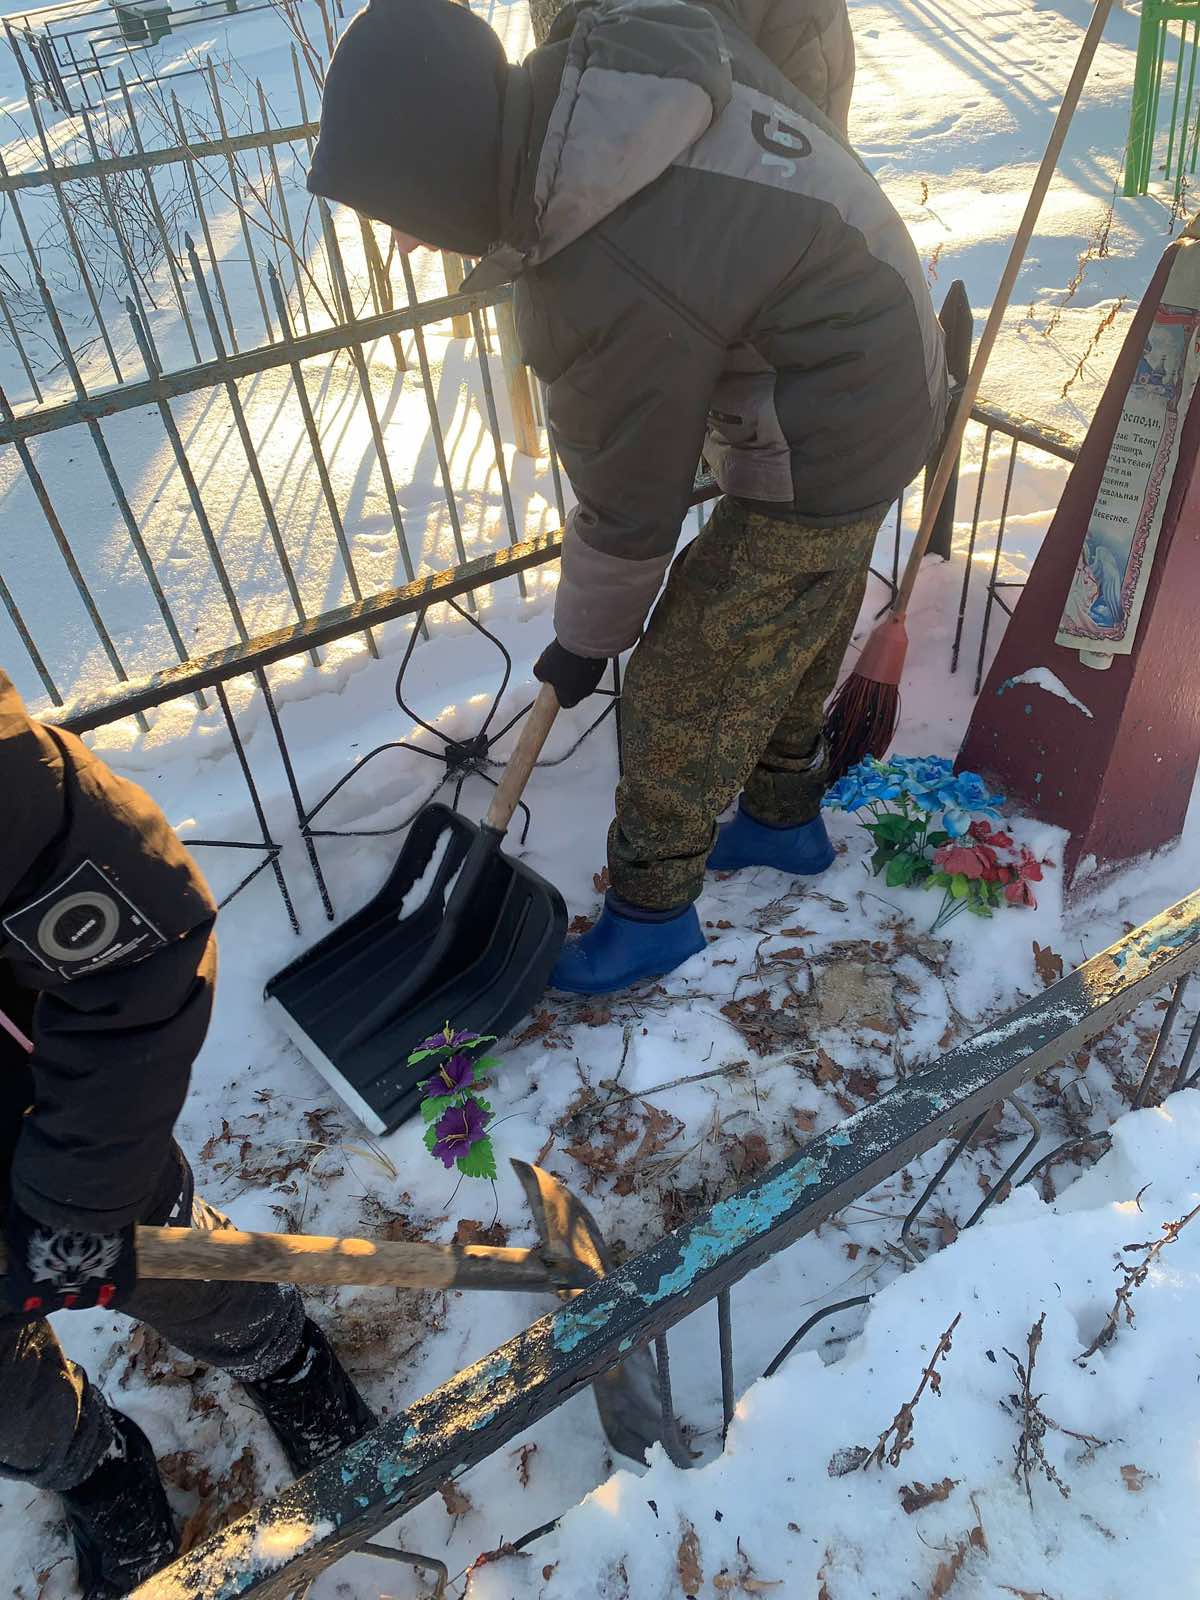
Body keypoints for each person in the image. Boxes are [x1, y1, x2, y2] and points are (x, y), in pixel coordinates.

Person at [307, 0, 948, 996]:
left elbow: (628, 497)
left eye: (402, 209)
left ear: (444, 164)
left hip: (832, 410)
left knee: (687, 674)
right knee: (792, 611)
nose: (410, 243)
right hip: (877, 363)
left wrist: (585, 641)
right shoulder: (609, 98)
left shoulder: (600, 254)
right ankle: (783, 819)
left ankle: (651, 915)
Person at [0, 671, 374, 1598]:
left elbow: (142, 939)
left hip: (53, 1144)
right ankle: (99, 1471)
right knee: (11, 1414)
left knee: (186, 1274)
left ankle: (285, 1363)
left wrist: (79, 1196)